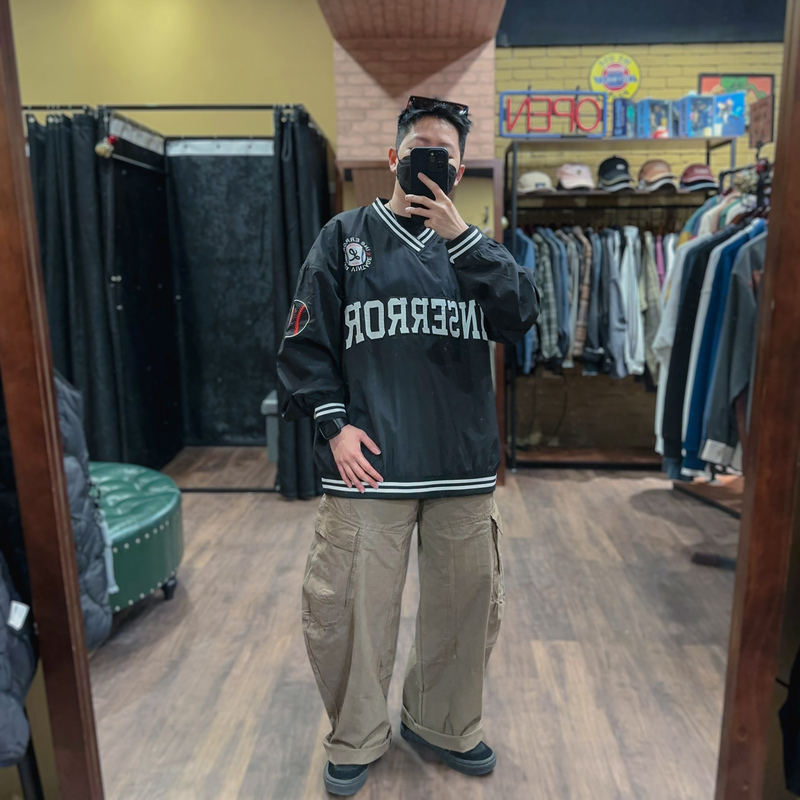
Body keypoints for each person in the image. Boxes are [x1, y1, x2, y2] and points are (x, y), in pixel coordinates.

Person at [277, 96, 539, 796]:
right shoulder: (344, 236)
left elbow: (521, 316)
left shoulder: (477, 248)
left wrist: (464, 239)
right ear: (394, 157)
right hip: (371, 465)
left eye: (445, 154)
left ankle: (442, 723)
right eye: (420, 148)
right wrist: (334, 426)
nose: (432, 161)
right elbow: (304, 344)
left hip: (460, 464)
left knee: (465, 607)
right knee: (351, 612)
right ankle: (357, 733)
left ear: (460, 170)